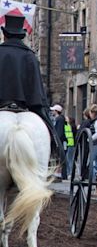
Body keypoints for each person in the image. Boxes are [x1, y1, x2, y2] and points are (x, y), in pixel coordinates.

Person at [0, 14, 64, 162]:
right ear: (22, 36)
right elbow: (36, 89)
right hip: (25, 105)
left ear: (5, 35)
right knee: (48, 128)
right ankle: (55, 153)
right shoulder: (30, 55)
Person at [88, 104, 97, 179]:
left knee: (90, 162)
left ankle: (96, 174)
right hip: (96, 144)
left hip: (95, 144)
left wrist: (90, 138)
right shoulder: (96, 121)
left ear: (92, 113)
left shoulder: (96, 122)